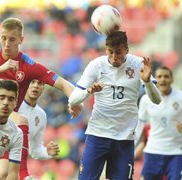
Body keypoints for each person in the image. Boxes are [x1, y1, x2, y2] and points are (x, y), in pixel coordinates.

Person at [0, 17, 81, 179]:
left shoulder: (27, 65)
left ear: (21, 40)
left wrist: (75, 101)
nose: (7, 43)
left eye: (12, 39)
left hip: (5, 123)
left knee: (2, 174)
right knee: (21, 121)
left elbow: (63, 84)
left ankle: (21, 175)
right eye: (3, 38)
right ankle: (24, 174)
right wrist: (0, 68)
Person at [68, 31, 161, 179]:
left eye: (118, 52)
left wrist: (148, 82)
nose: (114, 57)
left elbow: (157, 100)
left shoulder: (138, 64)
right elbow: (72, 100)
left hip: (124, 139)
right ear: (106, 50)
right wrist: (89, 91)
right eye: (110, 52)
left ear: (127, 50)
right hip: (97, 135)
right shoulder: (96, 65)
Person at [137, 66, 182, 179]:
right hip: (153, 151)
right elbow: (139, 125)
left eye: (166, 76)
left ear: (172, 79)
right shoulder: (145, 99)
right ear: (155, 80)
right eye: (159, 76)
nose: (163, 79)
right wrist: (131, 145)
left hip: (176, 152)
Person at [0, 79, 60, 179]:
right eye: (32, 82)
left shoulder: (41, 115)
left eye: (40, 83)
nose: (36, 86)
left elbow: (34, 149)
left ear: (43, 88)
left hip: (15, 166)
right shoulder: (12, 105)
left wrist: (46, 152)